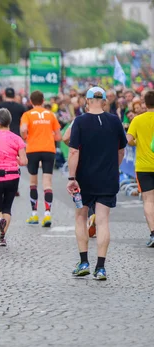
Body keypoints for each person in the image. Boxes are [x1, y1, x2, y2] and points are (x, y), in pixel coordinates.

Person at [67, 87, 127, 281]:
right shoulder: (115, 121)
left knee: (80, 218)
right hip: (107, 179)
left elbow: (74, 151)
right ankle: (100, 267)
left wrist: (71, 177)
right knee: (102, 221)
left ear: (87, 100)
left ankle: (84, 262)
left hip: (84, 179)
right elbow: (121, 150)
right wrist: (113, 168)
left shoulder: (80, 121)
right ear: (103, 101)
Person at [0, 109, 28, 246]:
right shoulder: (17, 139)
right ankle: (2, 238)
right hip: (12, 177)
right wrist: (14, 157)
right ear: (9, 122)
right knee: (7, 209)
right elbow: (24, 161)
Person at [21, 90, 62, 227]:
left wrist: (26, 137)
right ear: (43, 100)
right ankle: (47, 214)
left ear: (31, 101)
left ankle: (34, 214)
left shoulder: (27, 115)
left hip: (32, 149)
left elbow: (23, 130)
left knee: (33, 182)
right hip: (48, 149)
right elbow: (58, 136)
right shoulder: (50, 115)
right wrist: (52, 137)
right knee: (47, 182)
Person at [127, 90, 154, 247]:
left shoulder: (137, 120)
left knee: (148, 200)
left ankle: (153, 233)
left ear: (145, 103)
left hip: (144, 166)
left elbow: (128, 139)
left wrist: (136, 143)